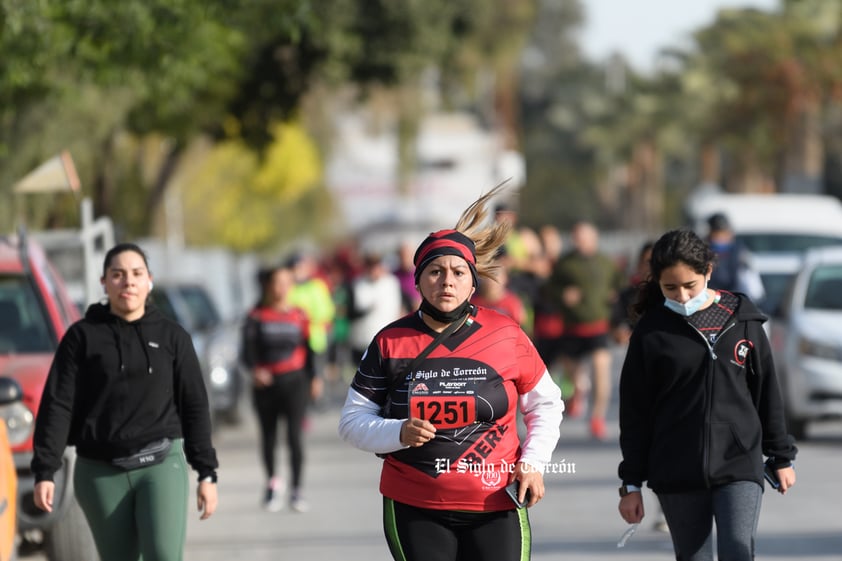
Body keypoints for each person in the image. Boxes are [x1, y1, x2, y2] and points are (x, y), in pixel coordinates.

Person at [338, 185, 564, 561]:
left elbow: (546, 404)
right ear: (417, 279)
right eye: (435, 271)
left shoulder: (505, 333)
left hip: (496, 501)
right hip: (416, 505)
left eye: (458, 272)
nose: (447, 281)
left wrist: (533, 462)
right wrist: (398, 431)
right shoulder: (391, 341)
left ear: (473, 281)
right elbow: (352, 421)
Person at [617, 228, 797, 561]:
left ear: (708, 272)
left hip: (739, 462)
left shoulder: (743, 320)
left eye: (690, 286)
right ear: (656, 281)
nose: (682, 297)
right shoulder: (650, 332)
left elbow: (766, 390)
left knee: (737, 552)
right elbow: (635, 413)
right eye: (670, 288)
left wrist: (781, 456)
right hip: (675, 468)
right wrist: (631, 483)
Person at [31, 242, 218, 561]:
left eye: (136, 273)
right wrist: (45, 470)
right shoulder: (82, 338)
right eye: (117, 275)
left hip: (160, 465)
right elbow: (58, 404)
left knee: (163, 555)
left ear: (149, 280)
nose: (128, 282)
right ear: (104, 282)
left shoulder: (174, 337)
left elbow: (195, 405)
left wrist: (207, 472)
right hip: (100, 472)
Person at [241, 263, 319, 513]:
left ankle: (297, 489)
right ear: (268, 286)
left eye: (287, 283)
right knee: (269, 437)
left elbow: (309, 350)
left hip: (295, 382)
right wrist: (255, 370)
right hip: (266, 386)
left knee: (295, 436)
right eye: (277, 283)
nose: (281, 288)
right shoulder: (256, 316)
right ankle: (273, 483)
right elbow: (247, 352)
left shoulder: (300, 315)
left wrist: (314, 378)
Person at [542, 221, 624, 440]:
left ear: (594, 238)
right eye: (578, 237)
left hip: (598, 326)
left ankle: (597, 417)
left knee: (601, 369)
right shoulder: (565, 264)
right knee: (574, 374)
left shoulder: (605, 263)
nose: (582, 242)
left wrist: (614, 297)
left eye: (586, 237)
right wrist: (563, 296)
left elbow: (620, 284)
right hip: (572, 327)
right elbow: (549, 290)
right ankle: (579, 390)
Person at [348, 250, 404, 365]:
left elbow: (401, 306)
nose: (374, 271)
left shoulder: (391, 283)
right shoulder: (357, 284)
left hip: (388, 341)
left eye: (376, 266)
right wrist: (368, 309)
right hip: (363, 342)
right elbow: (350, 313)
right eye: (371, 267)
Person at [705, 212, 765, 304]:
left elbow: (752, 289)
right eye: (716, 234)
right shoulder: (702, 252)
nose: (720, 238)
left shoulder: (740, 253)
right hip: (710, 300)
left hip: (734, 301)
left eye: (723, 233)